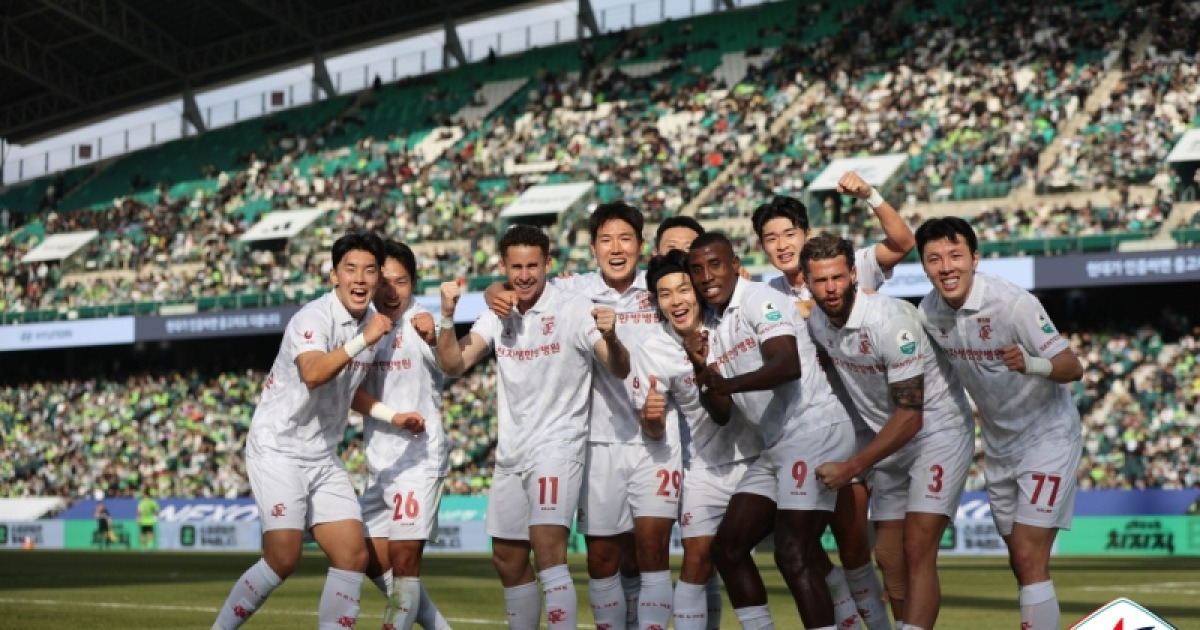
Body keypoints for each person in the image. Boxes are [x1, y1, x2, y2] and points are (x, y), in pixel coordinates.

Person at [486, 203, 680, 630]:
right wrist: (492, 292)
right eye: (606, 240)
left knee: (652, 554)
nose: (616, 248)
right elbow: (521, 280)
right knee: (603, 558)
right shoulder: (577, 290)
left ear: (641, 246)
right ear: (593, 248)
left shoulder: (662, 291)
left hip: (660, 440)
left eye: (625, 238)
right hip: (598, 442)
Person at [437, 224, 630, 630]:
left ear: (547, 263)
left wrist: (612, 339)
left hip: (558, 447)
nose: (524, 275)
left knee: (547, 552)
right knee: (507, 559)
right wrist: (448, 317)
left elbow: (617, 366)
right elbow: (454, 364)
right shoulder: (497, 311)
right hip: (511, 452)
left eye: (533, 266)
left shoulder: (573, 307)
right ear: (504, 267)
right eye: (516, 266)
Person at [752, 174, 912, 630]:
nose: (781, 245)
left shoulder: (843, 264)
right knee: (830, 547)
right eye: (770, 238)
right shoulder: (767, 294)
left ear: (806, 235)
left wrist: (870, 195)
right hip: (821, 428)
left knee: (875, 551)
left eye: (788, 234)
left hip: (878, 420)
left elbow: (902, 242)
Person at [213, 231, 392, 630]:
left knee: (353, 556)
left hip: (322, 455)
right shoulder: (313, 318)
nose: (359, 279)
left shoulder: (374, 326)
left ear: (379, 277)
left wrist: (394, 415)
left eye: (369, 271)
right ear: (334, 275)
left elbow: (350, 391)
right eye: (350, 270)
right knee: (283, 557)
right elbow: (313, 373)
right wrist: (364, 339)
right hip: (278, 448)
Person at [915, 217, 1084, 630]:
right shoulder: (928, 313)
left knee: (1028, 555)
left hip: (1048, 435)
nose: (946, 266)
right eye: (934, 259)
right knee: (1022, 562)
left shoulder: (1012, 303)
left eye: (955, 256)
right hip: (999, 444)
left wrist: (1032, 363)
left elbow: (1071, 366)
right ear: (923, 266)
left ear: (975, 258)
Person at [801, 233, 974, 630]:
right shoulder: (816, 321)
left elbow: (912, 416)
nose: (830, 288)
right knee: (891, 558)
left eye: (838, 278)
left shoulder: (890, 322)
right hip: (889, 442)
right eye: (820, 281)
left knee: (917, 549)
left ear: (852, 275)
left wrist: (850, 467)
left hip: (937, 433)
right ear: (808, 283)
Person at [685, 232, 855, 630]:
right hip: (778, 444)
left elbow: (786, 364)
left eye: (714, 264)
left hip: (815, 430)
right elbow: (723, 413)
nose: (706, 275)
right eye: (697, 269)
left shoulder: (759, 299)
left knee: (793, 553)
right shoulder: (711, 324)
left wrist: (730, 383)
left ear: (733, 264)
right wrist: (700, 370)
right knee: (727, 548)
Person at [635, 250, 763, 630]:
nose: (677, 300)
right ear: (657, 304)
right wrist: (652, 419)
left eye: (684, 289)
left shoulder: (728, 319)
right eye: (665, 294)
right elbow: (653, 427)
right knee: (696, 560)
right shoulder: (653, 349)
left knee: (797, 555)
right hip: (707, 466)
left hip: (761, 456)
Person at [349, 240, 452, 630]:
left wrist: (437, 333)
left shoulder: (421, 322)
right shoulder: (365, 327)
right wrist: (392, 417)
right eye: (385, 282)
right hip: (381, 464)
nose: (393, 291)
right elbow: (352, 393)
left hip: (419, 460)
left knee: (406, 563)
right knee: (365, 557)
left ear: (414, 283)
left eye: (402, 281)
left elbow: (451, 363)